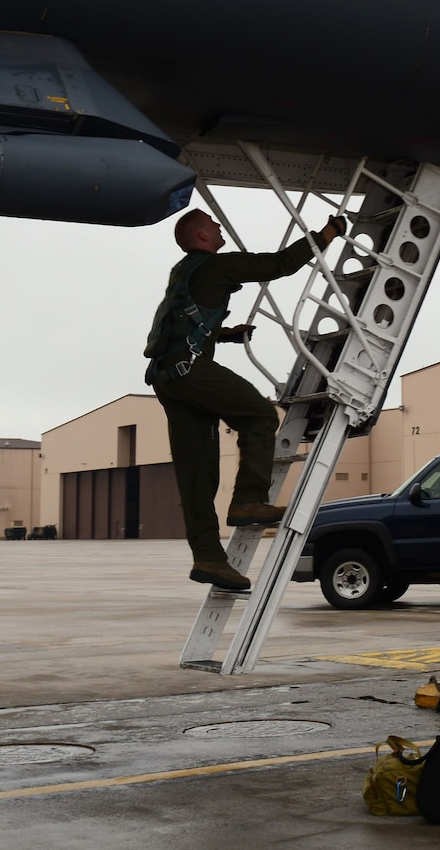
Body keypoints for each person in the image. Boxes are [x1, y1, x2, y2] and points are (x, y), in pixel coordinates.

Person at [145, 207, 344, 592]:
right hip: (191, 370)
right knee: (259, 416)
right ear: (202, 237)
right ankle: (249, 501)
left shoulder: (183, 272)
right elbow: (280, 264)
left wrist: (223, 334)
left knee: (196, 473)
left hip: (168, 378)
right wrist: (327, 234)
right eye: (214, 227)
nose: (220, 229)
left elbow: (182, 323)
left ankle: (208, 558)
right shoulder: (216, 267)